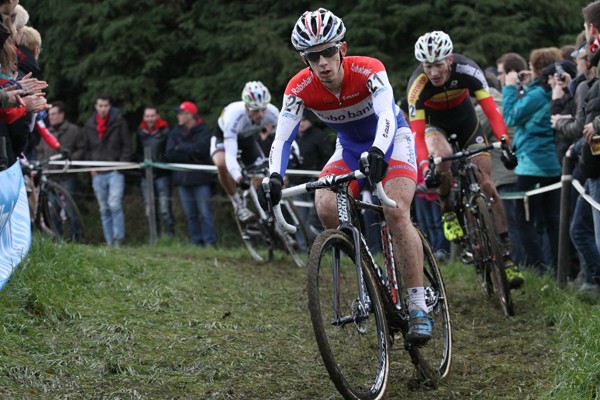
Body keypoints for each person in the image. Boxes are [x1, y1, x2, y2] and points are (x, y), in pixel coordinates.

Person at [263, 8, 432, 344]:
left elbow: (386, 113)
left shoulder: (368, 70)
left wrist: (379, 152)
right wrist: (273, 177)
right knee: (325, 204)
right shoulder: (299, 88)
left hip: (391, 141)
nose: (323, 62)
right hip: (350, 148)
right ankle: (371, 274)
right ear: (304, 58)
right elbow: (282, 138)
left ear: (342, 48)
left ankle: (417, 305)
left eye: (328, 51)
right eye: (313, 56)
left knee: (396, 212)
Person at [407, 31, 524, 288]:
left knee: (488, 185)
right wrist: (426, 166)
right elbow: (417, 134)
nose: (434, 72)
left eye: (438, 64)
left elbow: (492, 110)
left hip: (466, 122)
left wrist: (504, 141)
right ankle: (448, 208)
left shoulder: (468, 70)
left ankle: (506, 257)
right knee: (442, 157)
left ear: (449, 59)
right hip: (434, 126)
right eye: (428, 66)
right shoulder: (418, 85)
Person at [503, 47, 563, 273]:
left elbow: (510, 116)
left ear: (537, 68)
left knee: (524, 219)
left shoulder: (537, 95)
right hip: (551, 163)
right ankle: (558, 269)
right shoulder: (548, 91)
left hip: (533, 165)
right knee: (551, 219)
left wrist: (509, 87)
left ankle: (539, 269)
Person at [212, 81, 278, 222]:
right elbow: (230, 154)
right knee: (221, 164)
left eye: (263, 109)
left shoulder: (272, 112)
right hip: (224, 137)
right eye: (255, 110)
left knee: (260, 175)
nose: (260, 114)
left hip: (247, 139)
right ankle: (238, 204)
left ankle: (267, 215)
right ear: (246, 107)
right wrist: (238, 178)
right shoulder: (234, 117)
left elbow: (284, 137)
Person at [164, 101, 216, 247]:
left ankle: (210, 244)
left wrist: (180, 147)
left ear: (190, 115)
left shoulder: (204, 131)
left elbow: (202, 150)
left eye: (181, 113)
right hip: (183, 180)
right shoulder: (175, 132)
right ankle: (197, 244)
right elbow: (169, 154)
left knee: (205, 213)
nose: (178, 117)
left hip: (200, 179)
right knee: (190, 215)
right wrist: (190, 154)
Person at [83, 94, 131, 247]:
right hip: (98, 172)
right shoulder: (90, 124)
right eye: (100, 105)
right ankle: (109, 242)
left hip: (115, 170)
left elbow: (127, 145)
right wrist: (91, 166)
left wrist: (120, 165)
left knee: (114, 205)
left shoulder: (119, 122)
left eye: (105, 106)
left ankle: (118, 238)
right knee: (104, 208)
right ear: (96, 107)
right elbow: (86, 147)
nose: (103, 108)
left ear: (109, 107)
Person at [135, 106, 174, 237]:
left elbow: (168, 151)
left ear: (157, 116)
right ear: (144, 117)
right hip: (146, 176)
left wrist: (160, 162)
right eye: (147, 116)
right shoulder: (140, 132)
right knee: (150, 209)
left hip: (162, 175)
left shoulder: (165, 131)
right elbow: (138, 152)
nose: (150, 119)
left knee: (165, 209)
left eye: (152, 116)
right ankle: (154, 237)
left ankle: (169, 237)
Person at [35, 101, 85, 197]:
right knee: (52, 208)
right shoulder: (47, 133)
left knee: (69, 206)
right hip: (50, 176)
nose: (50, 117)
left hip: (67, 175)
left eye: (54, 114)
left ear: (62, 114)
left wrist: (70, 159)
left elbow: (82, 149)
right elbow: (40, 151)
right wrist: (44, 163)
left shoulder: (74, 130)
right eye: (49, 115)